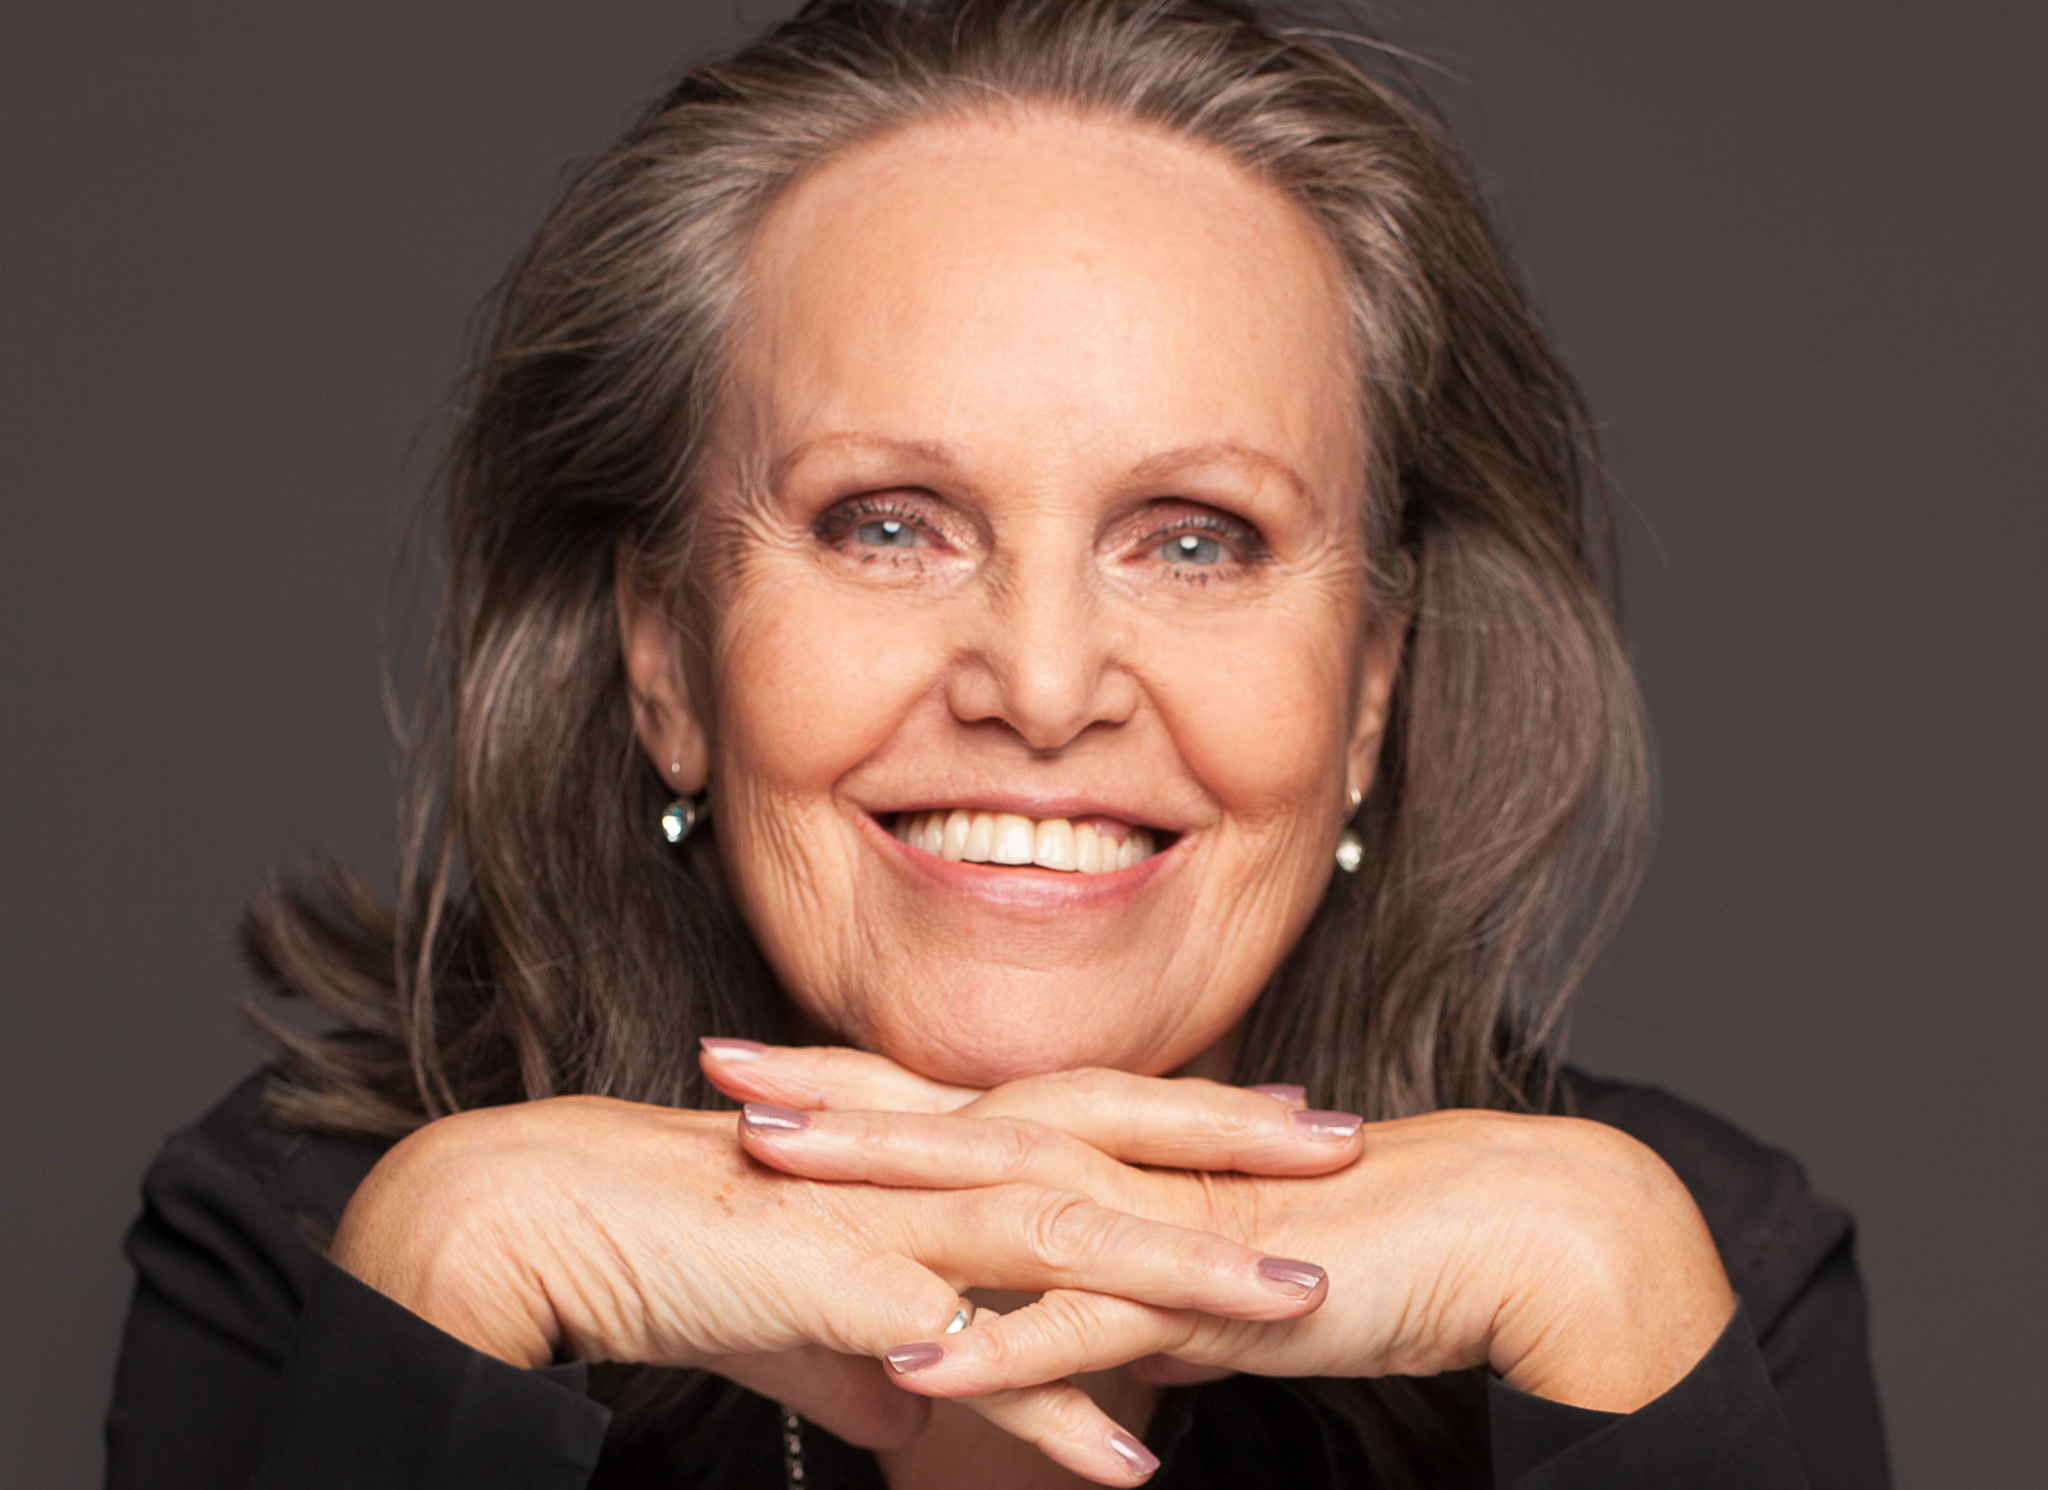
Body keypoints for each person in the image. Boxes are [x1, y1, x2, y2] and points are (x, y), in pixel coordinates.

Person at [103, 2, 1889, 1487]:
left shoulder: (1682, 1278)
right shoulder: (325, 1247)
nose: (1040, 684)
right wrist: (437, 1304)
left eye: (1197, 540)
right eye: (887, 523)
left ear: (1369, 686)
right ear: (667, 657)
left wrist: (1621, 1312)